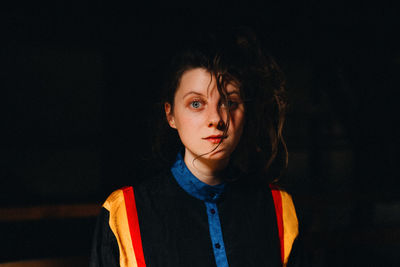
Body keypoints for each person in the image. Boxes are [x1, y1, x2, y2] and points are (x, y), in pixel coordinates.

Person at [90, 27, 304, 267]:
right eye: (196, 103)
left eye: (230, 102)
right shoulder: (125, 212)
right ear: (171, 115)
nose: (216, 119)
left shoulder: (278, 208)